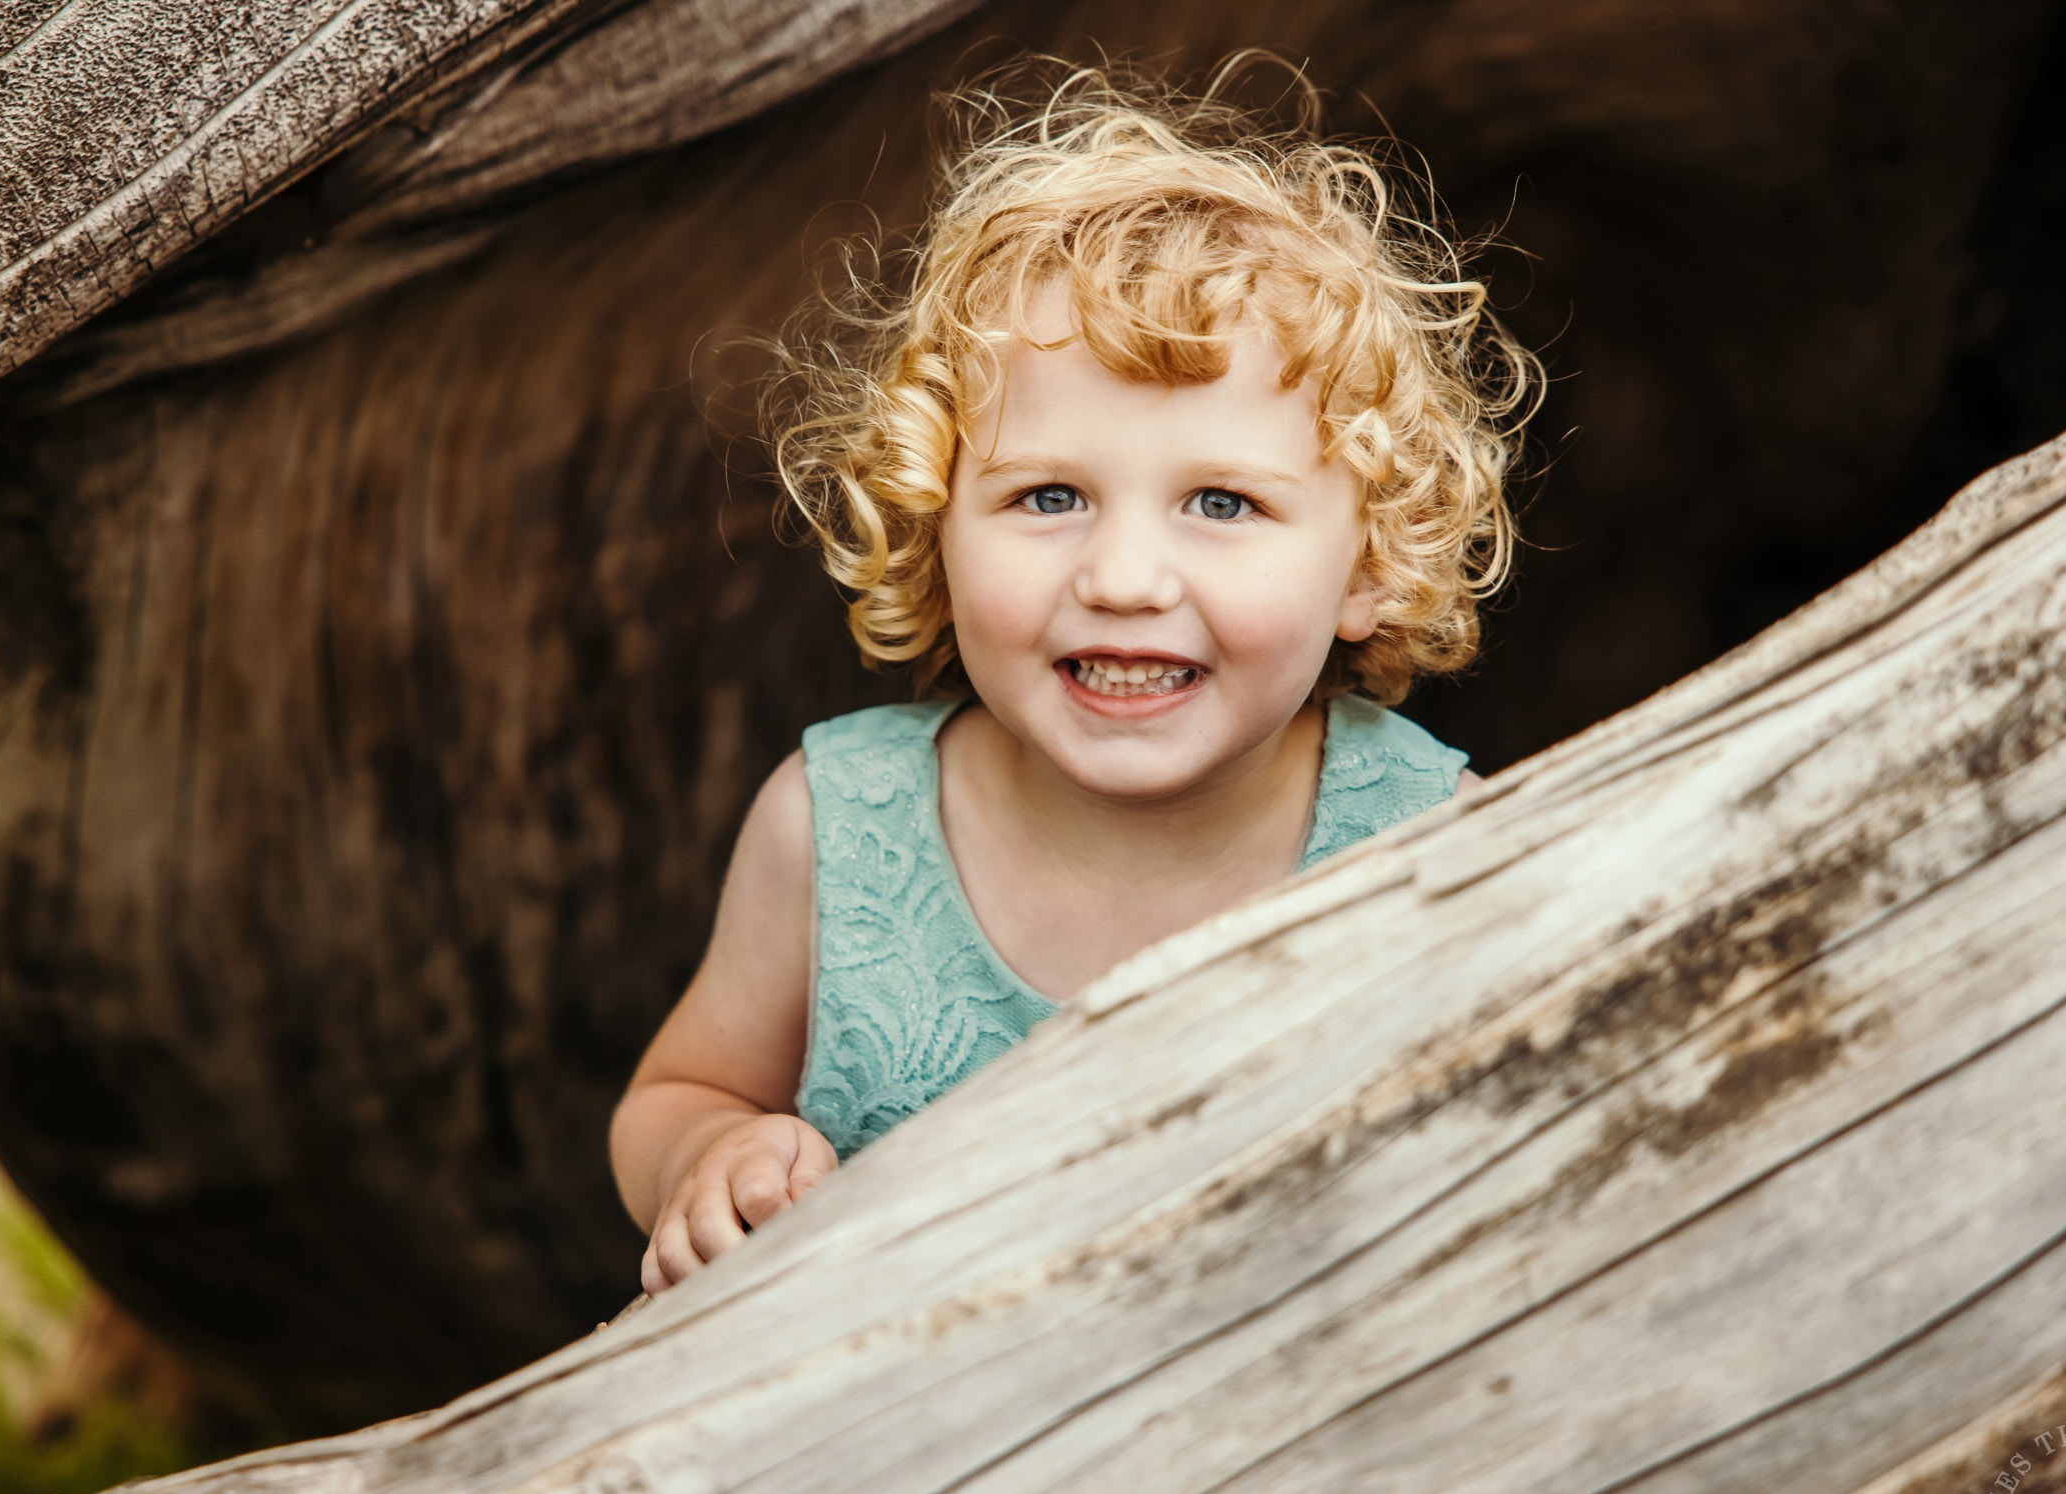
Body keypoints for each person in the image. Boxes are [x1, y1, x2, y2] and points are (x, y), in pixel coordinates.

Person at [608, 60, 1536, 1294]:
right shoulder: (838, 826)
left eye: (1222, 501)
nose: (1124, 575)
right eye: (1048, 495)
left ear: (1366, 563)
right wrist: (713, 1156)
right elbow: (680, 1091)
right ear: (934, 521)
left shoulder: (1447, 848)